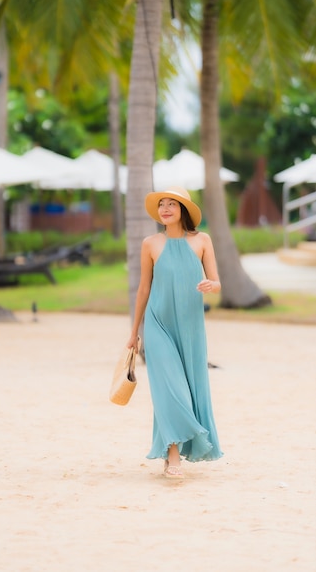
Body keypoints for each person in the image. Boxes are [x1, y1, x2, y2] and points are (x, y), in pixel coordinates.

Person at [127, 186, 223, 479]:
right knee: (170, 389)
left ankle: (176, 451)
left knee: (189, 387)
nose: (165, 209)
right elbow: (144, 288)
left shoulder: (202, 241)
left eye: (172, 204)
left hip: (191, 327)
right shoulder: (150, 243)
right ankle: (173, 457)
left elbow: (216, 281)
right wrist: (135, 332)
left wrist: (211, 285)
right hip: (158, 324)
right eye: (161, 205)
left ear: (183, 210)